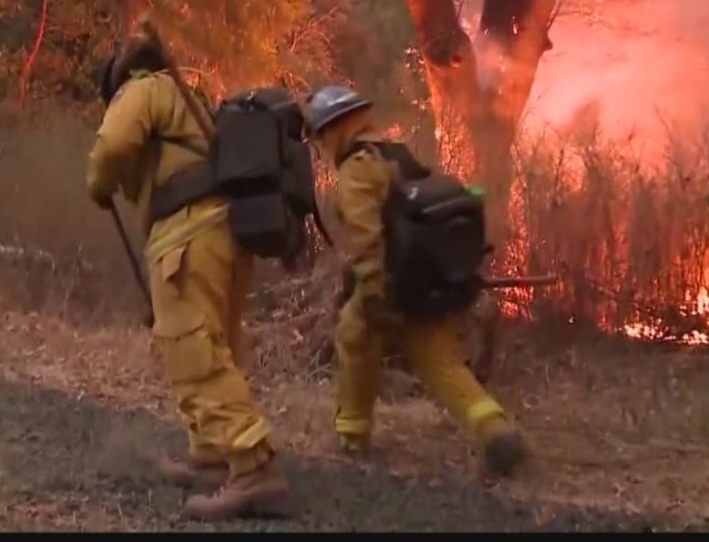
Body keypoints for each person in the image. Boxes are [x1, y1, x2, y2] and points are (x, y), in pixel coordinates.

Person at [85, 28, 291, 521]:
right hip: (224, 232)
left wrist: (98, 184)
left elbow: (111, 148)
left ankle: (253, 467)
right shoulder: (186, 96)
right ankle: (213, 458)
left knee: (191, 349)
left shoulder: (143, 88)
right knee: (215, 345)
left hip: (186, 235)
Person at [305, 84, 527, 477]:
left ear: (337, 128)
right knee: (441, 363)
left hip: (390, 284)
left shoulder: (358, 167)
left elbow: (366, 236)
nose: (322, 144)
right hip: (423, 281)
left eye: (322, 134)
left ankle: (352, 436)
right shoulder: (396, 154)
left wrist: (372, 293)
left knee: (354, 340)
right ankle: (495, 430)